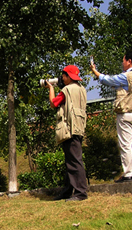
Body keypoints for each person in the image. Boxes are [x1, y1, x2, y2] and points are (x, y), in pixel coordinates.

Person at [90, 51, 132, 183]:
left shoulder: (126, 76)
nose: (122, 63)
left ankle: (128, 174)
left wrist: (95, 71)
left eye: (123, 60)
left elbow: (109, 80)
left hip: (126, 113)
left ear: (129, 61)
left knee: (126, 144)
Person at [46, 65, 88, 202]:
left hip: (69, 129)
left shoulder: (66, 90)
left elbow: (53, 103)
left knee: (75, 161)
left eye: (64, 76)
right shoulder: (81, 89)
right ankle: (68, 191)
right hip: (78, 127)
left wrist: (51, 88)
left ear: (68, 76)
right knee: (72, 161)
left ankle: (81, 193)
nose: (62, 78)